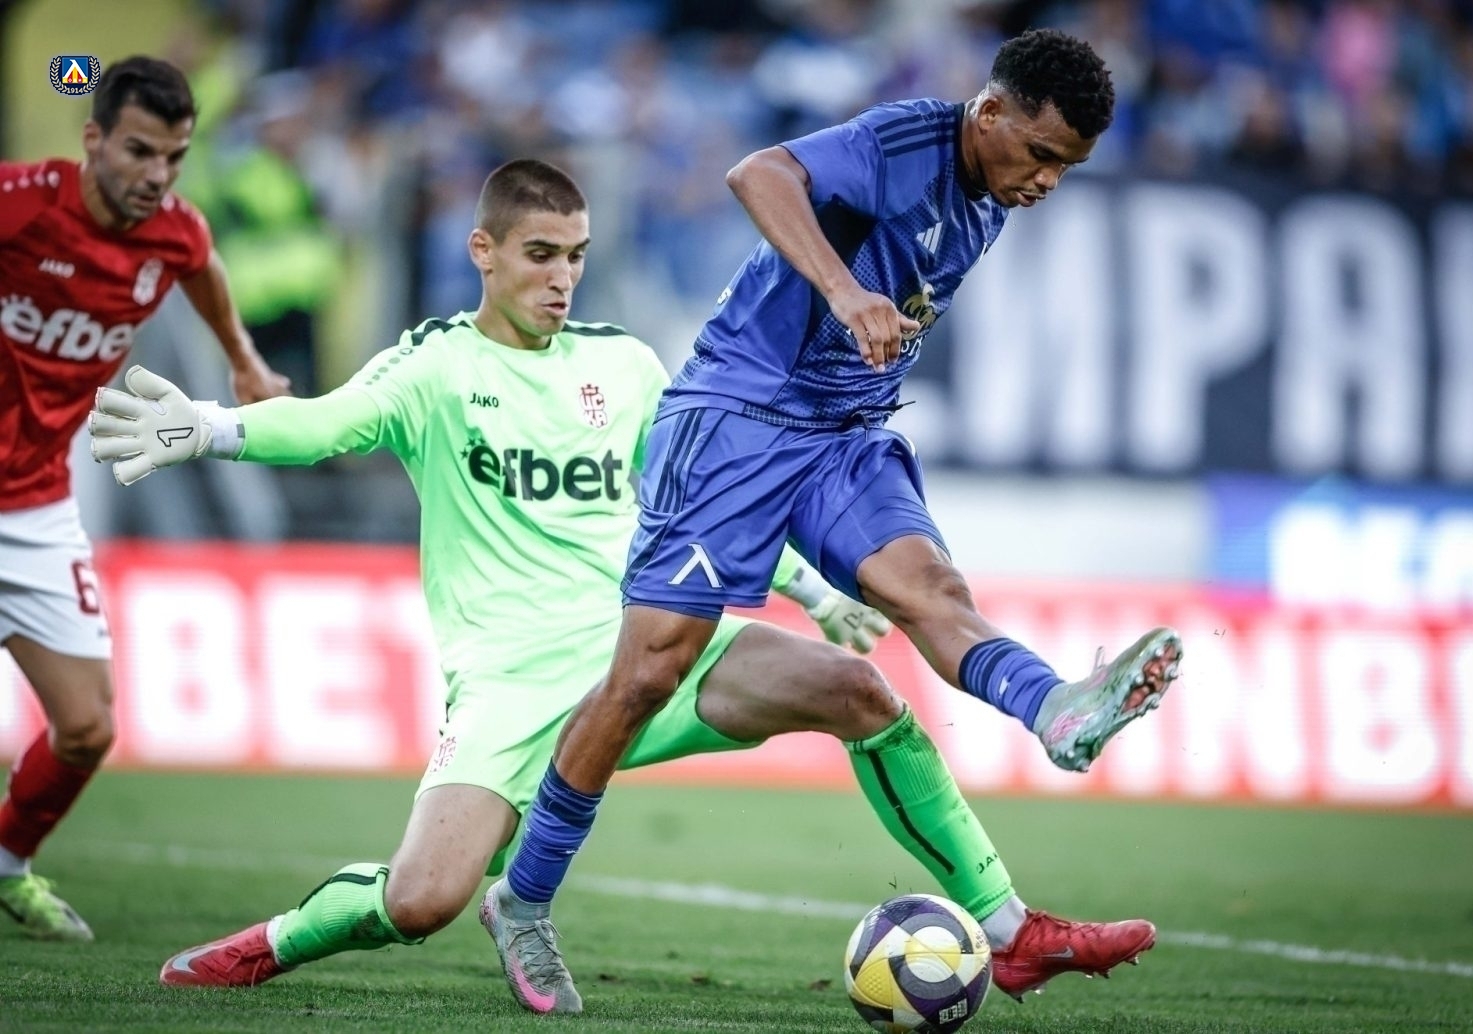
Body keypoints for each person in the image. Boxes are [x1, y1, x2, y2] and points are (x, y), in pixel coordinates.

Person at [91, 159, 1155, 1009]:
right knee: (419, 901)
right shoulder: (435, 368)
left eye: (576, 256)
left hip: (650, 650)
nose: (562, 278)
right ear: (483, 252)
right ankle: (271, 942)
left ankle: (1010, 928)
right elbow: (325, 423)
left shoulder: (629, 366)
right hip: (514, 687)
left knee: (861, 692)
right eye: (540, 255)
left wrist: (810, 589)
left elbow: (705, 503)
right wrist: (214, 428)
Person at [492, 27, 1185, 1011]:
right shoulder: (907, 141)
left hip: (842, 435)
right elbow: (758, 173)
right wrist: (847, 290)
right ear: (990, 113)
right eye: (1039, 154)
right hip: (737, 417)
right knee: (647, 673)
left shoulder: (990, 196)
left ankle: (1057, 712)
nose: (1046, 181)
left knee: (934, 592)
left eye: (1066, 168)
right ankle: (522, 898)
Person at [0, 55, 289, 941]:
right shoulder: (20, 205)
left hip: (36, 506)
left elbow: (203, 268)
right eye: (138, 151)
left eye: (174, 156)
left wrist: (243, 359)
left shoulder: (174, 233)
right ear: (93, 140)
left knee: (87, 729)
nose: (157, 175)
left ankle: (7, 863)